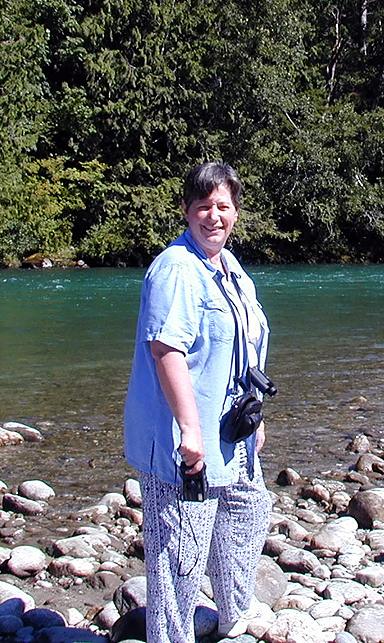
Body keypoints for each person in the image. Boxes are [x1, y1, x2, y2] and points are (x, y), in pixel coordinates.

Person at [124, 162, 274, 643]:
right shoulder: (175, 269)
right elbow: (166, 349)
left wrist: (256, 415)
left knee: (249, 515)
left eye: (223, 206)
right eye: (203, 206)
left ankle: (232, 620)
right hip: (184, 442)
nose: (214, 216)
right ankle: (169, 637)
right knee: (179, 556)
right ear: (187, 211)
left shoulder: (231, 270)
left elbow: (246, 349)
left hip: (233, 435)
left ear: (235, 212)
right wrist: (190, 431)